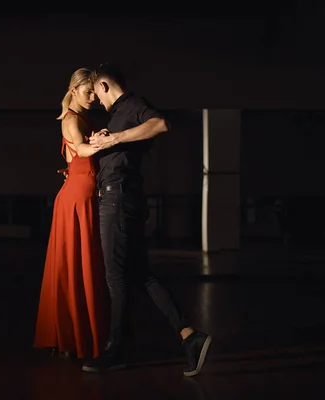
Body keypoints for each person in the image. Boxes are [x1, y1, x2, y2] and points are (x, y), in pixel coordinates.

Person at [81, 63, 211, 376]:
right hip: (124, 197)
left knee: (117, 277)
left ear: (105, 86)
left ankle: (116, 351)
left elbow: (161, 124)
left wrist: (114, 139)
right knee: (141, 274)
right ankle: (189, 336)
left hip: (119, 199)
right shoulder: (117, 115)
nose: (97, 100)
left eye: (96, 92)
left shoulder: (132, 105)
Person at [33, 68, 109, 360]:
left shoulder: (81, 119)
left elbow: (76, 157)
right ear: (74, 90)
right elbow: (79, 149)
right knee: (75, 265)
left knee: (81, 264)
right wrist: (108, 140)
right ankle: (73, 336)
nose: (92, 97)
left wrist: (97, 138)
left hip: (81, 196)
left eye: (94, 92)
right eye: (87, 92)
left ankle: (74, 334)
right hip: (77, 200)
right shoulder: (72, 119)